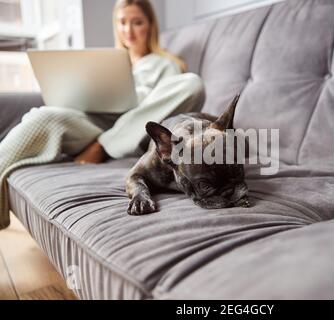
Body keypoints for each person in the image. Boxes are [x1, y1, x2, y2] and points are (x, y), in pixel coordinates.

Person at [0, 0, 205, 229]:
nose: (128, 30)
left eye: (137, 22)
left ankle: (103, 145)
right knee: (41, 115)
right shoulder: (110, 62)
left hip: (130, 132)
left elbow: (163, 110)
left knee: (192, 83)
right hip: (94, 121)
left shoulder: (166, 64)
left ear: (150, 25)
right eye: (122, 22)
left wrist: (107, 139)